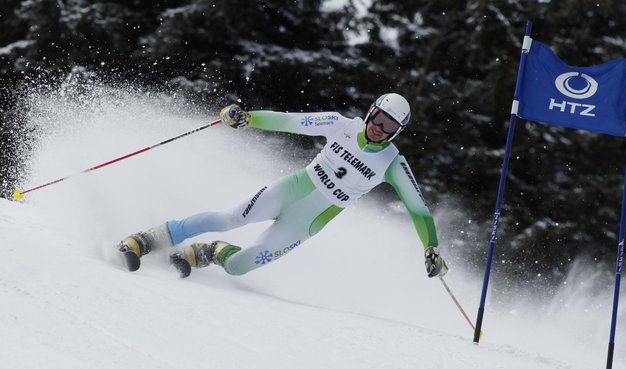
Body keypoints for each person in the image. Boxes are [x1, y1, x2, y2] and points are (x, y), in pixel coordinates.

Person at [119, 93, 449, 279]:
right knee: (231, 218)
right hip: (292, 190)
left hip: (307, 222)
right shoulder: (340, 124)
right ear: (370, 112)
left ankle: (208, 252)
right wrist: (248, 118)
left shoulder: (393, 162)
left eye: (388, 126)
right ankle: (146, 240)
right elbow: (289, 120)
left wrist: (430, 248)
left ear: (397, 132)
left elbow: (418, 210)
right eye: (378, 118)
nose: (379, 128)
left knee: (238, 267)